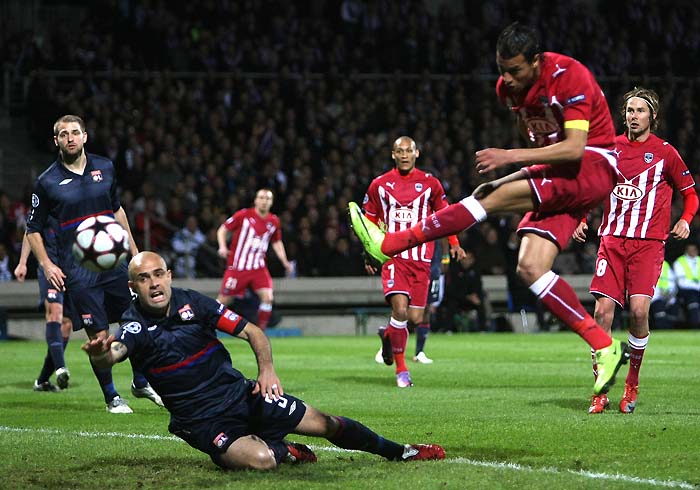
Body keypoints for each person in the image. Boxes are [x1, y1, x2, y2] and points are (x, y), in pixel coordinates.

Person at [349, 22, 629, 396]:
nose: (507, 79)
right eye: (501, 70)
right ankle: (603, 344)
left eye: (515, 70)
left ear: (536, 61)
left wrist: (510, 158)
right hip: (561, 174)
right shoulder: (509, 93)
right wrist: (512, 175)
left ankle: (390, 244)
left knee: (485, 203)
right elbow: (547, 147)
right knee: (529, 267)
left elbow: (576, 148)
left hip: (593, 166)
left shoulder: (568, 76)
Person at [81, 251, 445, 470]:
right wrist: (101, 356)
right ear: (134, 287)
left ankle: (401, 452)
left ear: (169, 276)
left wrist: (266, 370)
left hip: (242, 395)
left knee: (325, 423)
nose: (154, 283)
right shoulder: (134, 324)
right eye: (144, 279)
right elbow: (115, 353)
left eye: (159, 274)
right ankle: (280, 447)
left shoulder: (197, 304)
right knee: (261, 461)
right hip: (201, 421)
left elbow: (252, 331)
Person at [25, 114, 163, 413]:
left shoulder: (106, 167)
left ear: (85, 136)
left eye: (75, 132)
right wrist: (48, 265)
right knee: (98, 336)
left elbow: (118, 211)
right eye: (64, 134)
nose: (70, 138)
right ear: (56, 141)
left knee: (136, 321)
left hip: (115, 263)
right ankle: (112, 396)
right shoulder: (47, 181)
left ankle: (140, 381)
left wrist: (136, 253)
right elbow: (32, 229)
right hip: (77, 271)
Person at [573, 87, 697, 414]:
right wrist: (581, 218)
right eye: (629, 110)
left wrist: (685, 219)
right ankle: (601, 388)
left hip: (648, 244)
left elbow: (691, 194)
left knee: (640, 312)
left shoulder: (665, 153)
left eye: (640, 110)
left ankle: (632, 381)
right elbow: (590, 187)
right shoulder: (610, 147)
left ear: (652, 116)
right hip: (612, 241)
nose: (633, 116)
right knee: (602, 314)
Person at [361, 136, 464, 388]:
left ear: (417, 153)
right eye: (399, 151)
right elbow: (368, 221)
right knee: (400, 311)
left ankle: (388, 335)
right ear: (393, 155)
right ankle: (402, 371)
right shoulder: (379, 185)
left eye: (409, 150)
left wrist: (454, 242)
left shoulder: (430, 183)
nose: (404, 155)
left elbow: (445, 215)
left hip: (422, 259)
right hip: (393, 257)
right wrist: (369, 253)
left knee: (416, 318)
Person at [217, 188, 293, 330]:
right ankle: (206, 326)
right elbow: (223, 229)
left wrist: (285, 261)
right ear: (256, 200)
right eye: (261, 198)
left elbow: (277, 242)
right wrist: (222, 247)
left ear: (271, 202)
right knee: (223, 301)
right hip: (238, 267)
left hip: (258, 267)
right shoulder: (243, 215)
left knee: (268, 297)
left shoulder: (274, 221)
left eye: (268, 199)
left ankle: (261, 330)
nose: (264, 201)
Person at [14, 230, 72, 391]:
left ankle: (42, 381)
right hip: (49, 267)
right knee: (54, 312)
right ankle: (61, 368)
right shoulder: (45, 205)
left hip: (71, 267)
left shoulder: (73, 206)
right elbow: (30, 231)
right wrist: (23, 262)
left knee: (66, 324)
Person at [673, 243, 700, 328]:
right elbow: (682, 283)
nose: (692, 251)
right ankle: (695, 326)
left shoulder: (699, 260)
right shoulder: (680, 262)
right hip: (686, 291)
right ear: (686, 251)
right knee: (693, 299)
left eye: (694, 249)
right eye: (690, 249)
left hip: (696, 289)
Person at [649, 260, 677, 330]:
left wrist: (669, 293)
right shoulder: (648, 263)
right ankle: (661, 328)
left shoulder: (665, 264)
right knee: (659, 304)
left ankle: (671, 329)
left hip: (668, 295)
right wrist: (660, 292)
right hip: (654, 295)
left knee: (675, 304)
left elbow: (672, 281)